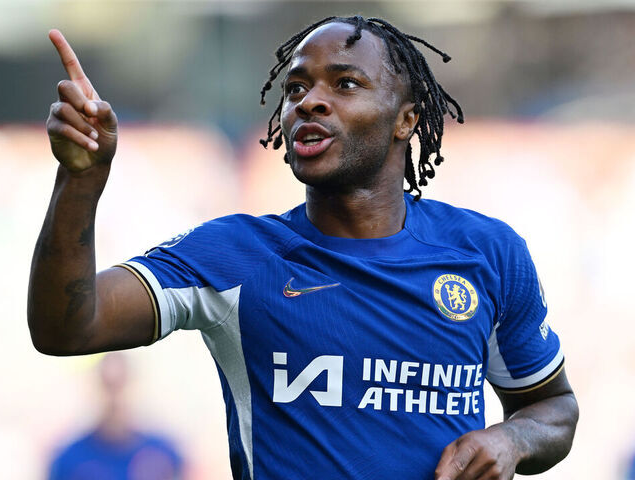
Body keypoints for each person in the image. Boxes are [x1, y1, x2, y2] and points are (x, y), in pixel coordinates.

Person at [30, 15, 579, 480]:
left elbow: (553, 408)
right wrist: (80, 179)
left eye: (344, 84)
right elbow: (67, 327)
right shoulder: (233, 255)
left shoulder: (487, 252)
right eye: (296, 89)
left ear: (406, 119)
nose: (310, 102)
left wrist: (512, 441)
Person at [47, 353, 184, 480]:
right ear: (94, 389)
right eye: (107, 385)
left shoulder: (164, 455)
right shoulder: (68, 460)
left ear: (134, 386)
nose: (114, 396)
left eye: (120, 384)